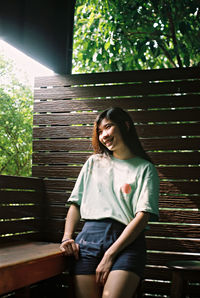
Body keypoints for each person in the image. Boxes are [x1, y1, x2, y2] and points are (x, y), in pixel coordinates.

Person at [60, 107, 159, 298]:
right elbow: (75, 204)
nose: (103, 135)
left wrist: (110, 254)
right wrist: (67, 237)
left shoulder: (146, 169)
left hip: (127, 243)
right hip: (88, 241)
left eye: (108, 127)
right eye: (99, 132)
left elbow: (143, 216)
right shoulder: (93, 163)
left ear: (125, 126)